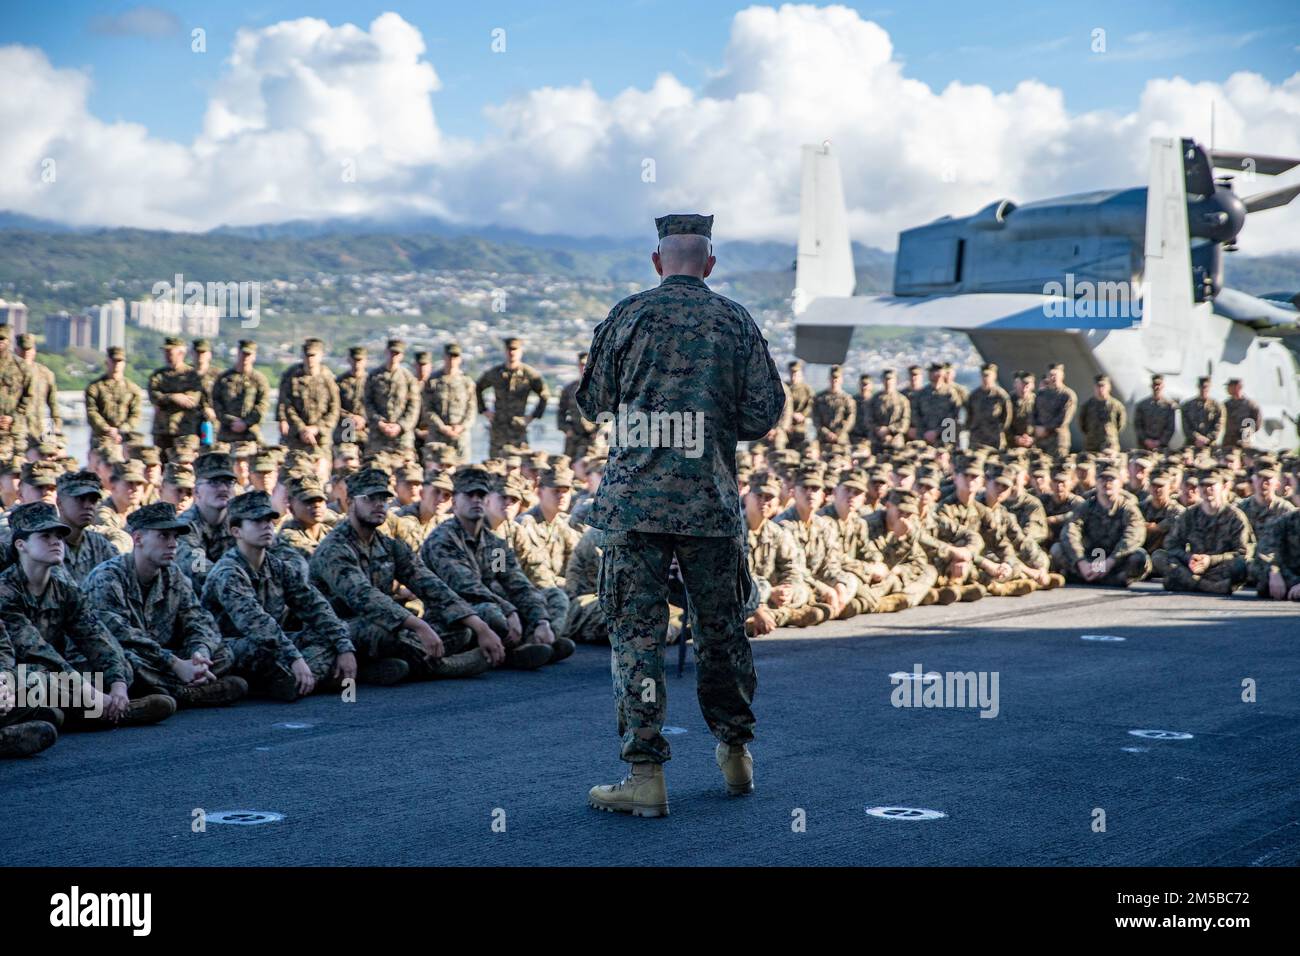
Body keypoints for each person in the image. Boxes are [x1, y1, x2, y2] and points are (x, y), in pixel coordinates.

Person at [577, 212, 785, 816]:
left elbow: (594, 402)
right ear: (711, 265)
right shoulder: (735, 320)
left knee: (637, 640)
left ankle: (645, 777)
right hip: (710, 505)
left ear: (657, 261)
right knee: (722, 635)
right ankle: (736, 756)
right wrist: (713, 422)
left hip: (635, 506)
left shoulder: (627, 315)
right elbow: (762, 413)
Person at [309, 468, 502, 681]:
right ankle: (440, 666)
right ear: (351, 501)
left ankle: (378, 668)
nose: (380, 504)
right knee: (383, 630)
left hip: (383, 625)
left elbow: (430, 585)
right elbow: (365, 598)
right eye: (371, 498)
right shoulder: (334, 549)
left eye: (384, 498)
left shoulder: (388, 545)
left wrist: (479, 627)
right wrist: (418, 625)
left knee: (459, 629)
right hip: (336, 630)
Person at [0, 502, 174, 730]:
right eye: (45, 536)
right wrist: (89, 692)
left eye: (59, 536)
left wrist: (118, 684)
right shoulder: (6, 591)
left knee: (121, 666)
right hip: (17, 676)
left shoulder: (63, 587)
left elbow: (95, 635)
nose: (56, 542)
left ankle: (109, 707)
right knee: (37, 680)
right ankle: (113, 712)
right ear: (21, 545)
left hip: (61, 677)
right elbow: (37, 651)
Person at [85, 502, 248, 707]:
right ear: (138, 539)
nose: (173, 544)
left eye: (174, 537)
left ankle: (179, 690)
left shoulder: (173, 573)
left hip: (161, 658)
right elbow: (119, 634)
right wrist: (175, 664)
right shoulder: (108, 577)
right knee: (127, 661)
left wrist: (200, 653)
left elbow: (198, 619)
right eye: (163, 536)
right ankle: (185, 691)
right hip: (131, 656)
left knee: (223, 653)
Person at [204, 491, 365, 698]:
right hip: (230, 645)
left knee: (332, 633)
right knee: (262, 647)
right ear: (236, 531)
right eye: (256, 521)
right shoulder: (227, 572)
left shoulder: (277, 566)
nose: (267, 526)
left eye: (269, 520)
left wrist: (344, 647)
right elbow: (257, 624)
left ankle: (298, 681)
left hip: (273, 643)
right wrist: (295, 658)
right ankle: (312, 678)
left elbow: (314, 606)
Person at [420, 467, 565, 670]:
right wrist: (510, 610)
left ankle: (538, 639)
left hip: (491, 604)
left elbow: (513, 582)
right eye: (469, 495)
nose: (476, 500)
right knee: (492, 612)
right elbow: (467, 588)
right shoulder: (443, 540)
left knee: (555, 598)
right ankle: (515, 652)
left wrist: (541, 620)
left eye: (481, 495)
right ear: (454, 502)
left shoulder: (494, 544)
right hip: (454, 611)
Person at [1052, 464, 1149, 586]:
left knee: (1140, 557)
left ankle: (1095, 578)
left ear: (1119, 483)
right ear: (1096, 483)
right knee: (1057, 549)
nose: (1106, 483)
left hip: (1115, 561)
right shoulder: (1086, 507)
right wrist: (1080, 562)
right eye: (1102, 479)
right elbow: (1070, 531)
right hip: (1089, 559)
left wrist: (1111, 561)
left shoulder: (1128, 509)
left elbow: (1134, 536)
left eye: (1111, 479)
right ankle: (1093, 576)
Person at [1162, 469, 1251, 594]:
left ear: (1221, 487)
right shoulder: (1189, 514)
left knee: (1242, 564)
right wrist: (1189, 558)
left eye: (1211, 485)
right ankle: (1207, 586)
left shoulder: (1235, 516)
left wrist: (1210, 560)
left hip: (1219, 566)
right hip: (1193, 566)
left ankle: (1188, 582)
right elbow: (1172, 545)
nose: (1207, 489)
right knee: (1160, 557)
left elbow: (1242, 552)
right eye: (1203, 485)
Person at [476, 337, 549, 458]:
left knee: (520, 462)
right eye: (509, 349)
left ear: (520, 351)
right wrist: (484, 410)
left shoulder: (529, 374)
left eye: (515, 349)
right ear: (505, 351)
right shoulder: (495, 373)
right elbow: (478, 388)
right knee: (496, 463)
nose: (512, 353)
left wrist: (532, 416)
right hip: (498, 427)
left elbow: (544, 394)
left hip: (518, 427)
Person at [52, 471, 119, 584]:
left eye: (93, 500)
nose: (88, 506)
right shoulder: (46, 544)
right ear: (59, 502)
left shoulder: (100, 545)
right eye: (80, 499)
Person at [419, 343, 476, 462]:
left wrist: (461, 427)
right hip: (438, 435)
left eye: (455, 357)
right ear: (444, 357)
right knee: (434, 471)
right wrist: (442, 427)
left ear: (459, 359)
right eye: (449, 356)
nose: (452, 360)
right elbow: (427, 408)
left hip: (460, 436)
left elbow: (471, 409)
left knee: (461, 473)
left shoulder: (466, 382)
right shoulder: (433, 381)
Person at [148, 337, 206, 454]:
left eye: (170, 352)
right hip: (162, 431)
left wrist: (164, 399)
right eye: (165, 352)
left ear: (181, 353)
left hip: (185, 430)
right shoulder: (158, 375)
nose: (167, 355)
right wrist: (173, 397)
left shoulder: (192, 375)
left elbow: (191, 401)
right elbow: (153, 396)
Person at [364, 338, 420, 458]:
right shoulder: (374, 376)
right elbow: (367, 402)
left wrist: (400, 425)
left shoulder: (408, 378)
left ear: (402, 356)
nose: (393, 356)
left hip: (402, 435)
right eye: (391, 352)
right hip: (378, 434)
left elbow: (413, 406)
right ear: (386, 352)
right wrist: (380, 422)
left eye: (397, 353)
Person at [212, 339, 269, 445]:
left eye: (248, 354)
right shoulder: (224, 378)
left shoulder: (259, 379)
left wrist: (245, 423)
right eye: (243, 354)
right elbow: (216, 403)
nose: (245, 357)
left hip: (251, 433)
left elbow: (262, 405)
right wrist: (231, 421)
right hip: (226, 433)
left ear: (254, 356)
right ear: (238, 353)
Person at [84, 346, 142, 452]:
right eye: (113, 361)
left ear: (124, 363)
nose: (116, 364)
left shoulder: (133, 389)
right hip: (101, 438)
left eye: (119, 361)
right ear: (107, 362)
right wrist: (107, 429)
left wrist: (123, 429)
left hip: (124, 438)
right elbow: (91, 412)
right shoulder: (95, 387)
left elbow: (136, 414)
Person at [557, 351, 605, 462]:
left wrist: (600, 431)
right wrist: (566, 429)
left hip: (593, 438)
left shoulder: (601, 389)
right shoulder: (569, 389)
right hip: (574, 437)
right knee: (569, 466)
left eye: (587, 364)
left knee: (593, 468)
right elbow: (560, 412)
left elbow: (609, 412)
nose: (584, 367)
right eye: (582, 364)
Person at [17, 333, 60, 444]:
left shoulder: (45, 374)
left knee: (49, 455)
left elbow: (53, 404)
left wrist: (56, 427)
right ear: (16, 350)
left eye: (29, 349)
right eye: (23, 349)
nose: (26, 353)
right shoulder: (10, 373)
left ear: (34, 350)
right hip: (18, 427)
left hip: (42, 425)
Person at [0, 325, 32, 462]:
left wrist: (12, 417)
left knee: (16, 472)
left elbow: (28, 397)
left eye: (2, 339)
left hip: (14, 430)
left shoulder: (21, 367)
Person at [1033, 363, 1076, 458]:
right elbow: (1034, 413)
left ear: (1062, 376)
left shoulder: (1067, 395)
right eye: (1050, 375)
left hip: (1057, 442)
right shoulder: (1041, 394)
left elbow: (1063, 419)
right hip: (1040, 441)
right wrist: (1036, 427)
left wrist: (1045, 429)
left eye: (1056, 375)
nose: (1053, 377)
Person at [967, 363, 1011, 451]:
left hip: (994, 438)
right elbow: (969, 415)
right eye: (983, 375)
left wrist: (999, 430)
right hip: (977, 438)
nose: (985, 378)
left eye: (988, 375)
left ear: (994, 376)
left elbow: (1007, 417)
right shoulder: (974, 395)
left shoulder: (1001, 395)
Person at [812, 365, 855, 453]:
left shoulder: (847, 399)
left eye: (837, 378)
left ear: (841, 379)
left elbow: (850, 419)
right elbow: (815, 419)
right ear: (829, 378)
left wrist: (838, 433)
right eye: (832, 377)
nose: (834, 380)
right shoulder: (819, 398)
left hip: (841, 440)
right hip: (822, 440)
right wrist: (827, 433)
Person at [1080, 374, 1125, 455]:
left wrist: (1109, 434)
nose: (1100, 389)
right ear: (1094, 387)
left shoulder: (1116, 405)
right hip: (1091, 445)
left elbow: (1120, 425)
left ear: (1109, 387)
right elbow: (1082, 425)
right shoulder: (1087, 405)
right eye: (1098, 386)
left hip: (1109, 445)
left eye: (1103, 386)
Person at [868, 369, 909, 453]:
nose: (888, 382)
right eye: (886, 379)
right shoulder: (874, 399)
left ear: (896, 381)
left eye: (890, 379)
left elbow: (905, 421)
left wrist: (889, 430)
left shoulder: (902, 400)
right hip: (877, 440)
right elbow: (868, 419)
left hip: (896, 441)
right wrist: (878, 430)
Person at [1134, 375, 1178, 452]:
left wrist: (1159, 442)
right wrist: (1146, 440)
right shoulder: (1142, 405)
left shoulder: (1169, 406)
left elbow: (1170, 428)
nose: (1157, 387)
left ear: (1163, 386)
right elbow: (1138, 426)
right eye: (1155, 385)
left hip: (1162, 447)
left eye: (1159, 385)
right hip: (1144, 447)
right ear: (1151, 386)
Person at [1181, 376, 1225, 449]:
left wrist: (1206, 439)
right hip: (1191, 443)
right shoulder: (1187, 406)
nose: (1203, 389)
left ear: (1209, 387)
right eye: (1201, 387)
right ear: (1198, 387)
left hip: (1209, 445)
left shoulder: (1217, 406)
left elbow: (1218, 426)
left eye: (1205, 387)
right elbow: (1186, 427)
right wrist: (1197, 437)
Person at [1223, 378, 1261, 450]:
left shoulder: (1251, 405)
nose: (1227, 389)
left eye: (1230, 386)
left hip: (1244, 443)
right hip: (1228, 442)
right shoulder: (1226, 405)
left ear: (1238, 387)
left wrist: (1246, 433)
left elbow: (1257, 423)